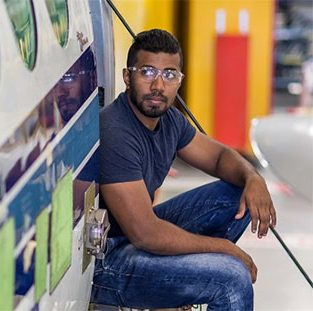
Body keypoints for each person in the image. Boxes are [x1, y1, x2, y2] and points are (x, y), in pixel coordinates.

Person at [91, 29, 276, 311]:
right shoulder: (115, 131)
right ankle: (183, 285)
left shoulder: (170, 121)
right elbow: (145, 233)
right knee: (231, 278)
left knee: (240, 192)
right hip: (107, 263)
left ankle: (181, 284)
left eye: (169, 75)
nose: (158, 85)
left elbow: (218, 158)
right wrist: (225, 250)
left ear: (179, 81)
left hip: (134, 237)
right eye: (147, 72)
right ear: (127, 77)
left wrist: (253, 177)